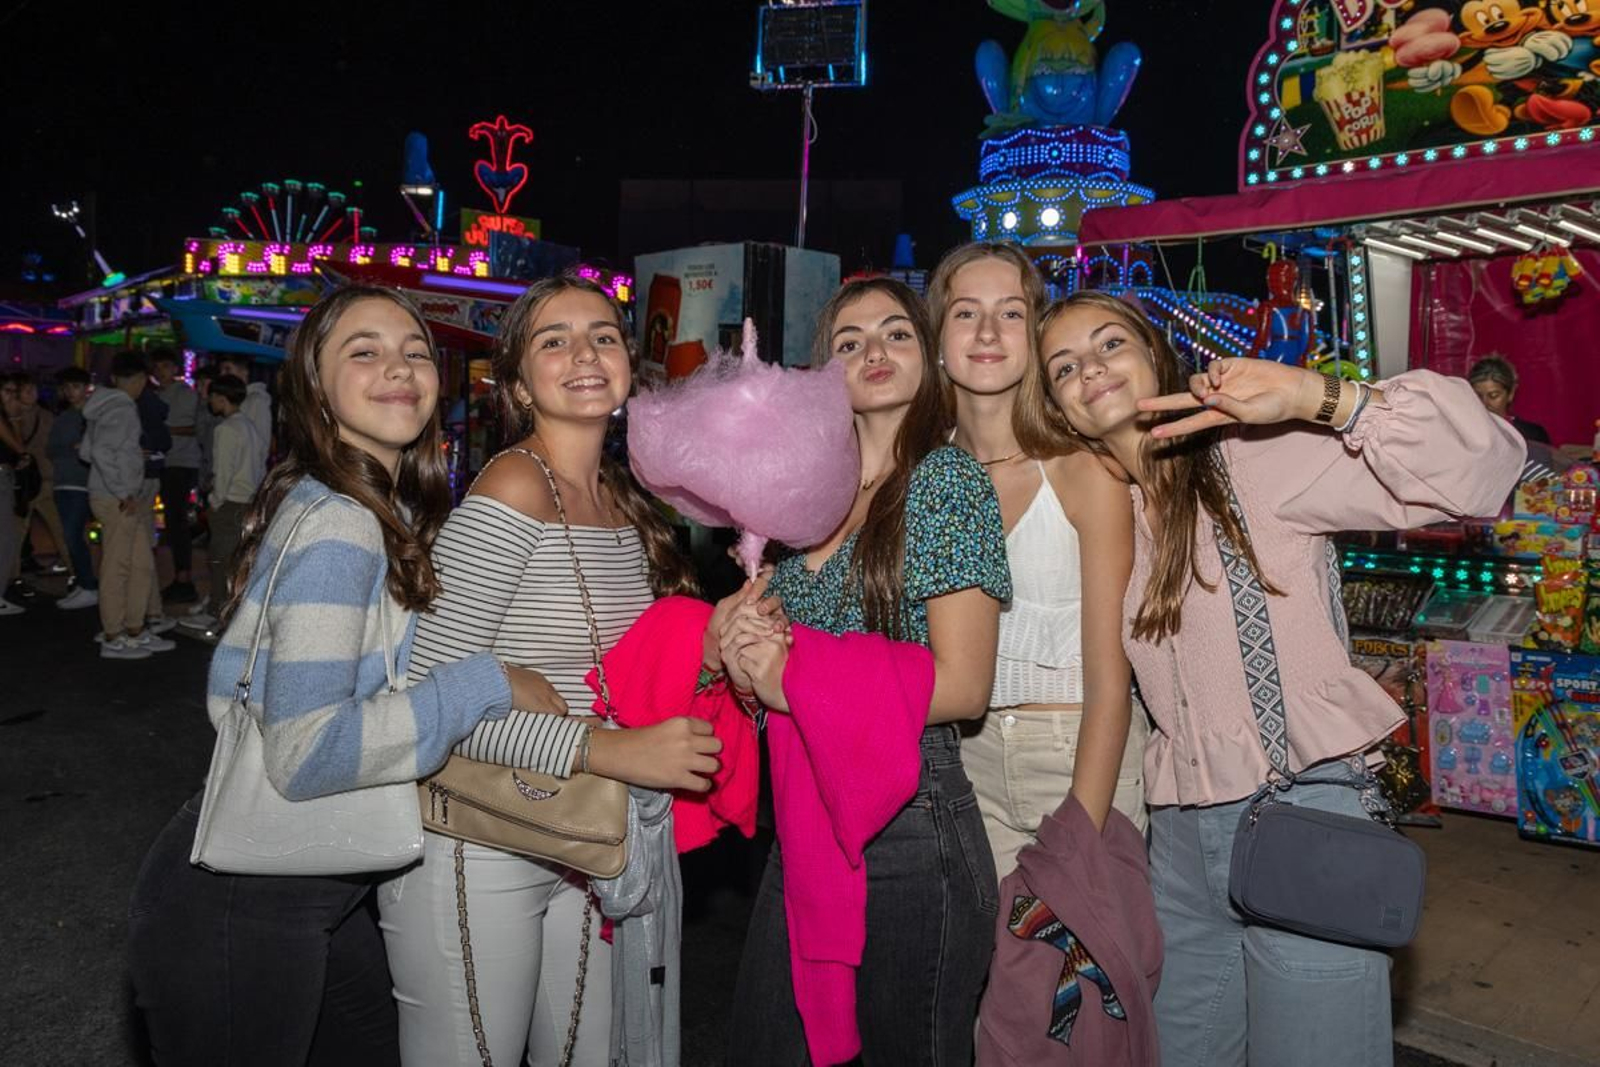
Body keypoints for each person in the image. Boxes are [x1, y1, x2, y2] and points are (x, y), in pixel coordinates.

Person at [1036, 290, 1524, 1067]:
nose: (1091, 369)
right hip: (1180, 848)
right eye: (1066, 366)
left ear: (1157, 357)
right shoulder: (1106, 515)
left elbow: (1485, 470)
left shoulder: (1254, 456)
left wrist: (1316, 394)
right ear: (1060, 410)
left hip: (1301, 808)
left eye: (1109, 344)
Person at [128, 285, 558, 1067]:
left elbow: (239, 694)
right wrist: (487, 681)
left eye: (415, 351)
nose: (399, 367)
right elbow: (309, 749)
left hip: (303, 892)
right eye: (364, 351)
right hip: (244, 903)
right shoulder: (343, 524)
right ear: (315, 391)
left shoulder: (347, 503)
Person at [378, 275, 726, 1067]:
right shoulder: (513, 485)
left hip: (586, 833)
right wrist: (610, 750)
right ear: (516, 382)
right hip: (478, 833)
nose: (585, 354)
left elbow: (619, 670)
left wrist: (714, 645)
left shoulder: (625, 499)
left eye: (603, 335)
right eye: (554, 340)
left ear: (630, 363)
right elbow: (426, 697)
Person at [719, 277, 1011, 1065]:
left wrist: (791, 679)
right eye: (849, 342)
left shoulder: (945, 482)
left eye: (896, 333)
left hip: (912, 828)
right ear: (825, 375)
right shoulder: (799, 502)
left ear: (927, 358)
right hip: (806, 820)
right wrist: (743, 655)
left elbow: (963, 685)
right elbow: (771, 672)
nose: (873, 352)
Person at [931, 241, 1147, 881]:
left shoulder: (1084, 468)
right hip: (964, 762)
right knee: (998, 978)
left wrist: (1082, 829)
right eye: (966, 313)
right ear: (938, 336)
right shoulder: (924, 470)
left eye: (1012, 313)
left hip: (1079, 756)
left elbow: (1113, 676)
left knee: (1085, 975)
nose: (990, 332)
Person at [82, 352, 172, 659]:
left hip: (115, 494)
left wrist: (130, 456)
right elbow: (102, 452)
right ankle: (114, 635)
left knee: (140, 564)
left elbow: (87, 451)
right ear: (138, 379)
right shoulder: (121, 408)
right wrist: (123, 490)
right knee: (118, 567)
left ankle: (133, 629)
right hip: (117, 498)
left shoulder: (102, 405)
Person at [179, 373, 262, 633]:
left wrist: (214, 501)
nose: (209, 400)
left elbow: (223, 471)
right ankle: (230, 613)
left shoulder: (226, 429)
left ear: (221, 398)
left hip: (229, 502)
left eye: (212, 395)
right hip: (248, 501)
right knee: (236, 563)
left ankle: (217, 614)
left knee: (220, 561)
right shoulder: (249, 426)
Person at [150, 348, 202, 603]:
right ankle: (177, 575)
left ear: (174, 369)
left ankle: (184, 577)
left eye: (165, 366)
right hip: (162, 463)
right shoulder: (154, 395)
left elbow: (196, 427)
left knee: (177, 521)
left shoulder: (185, 395)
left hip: (180, 463)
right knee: (170, 522)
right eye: (157, 367)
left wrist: (163, 432)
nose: (160, 371)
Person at [9, 372, 70, 580]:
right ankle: (77, 573)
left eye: (33, 389)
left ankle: (11, 578)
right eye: (27, 390)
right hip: (42, 479)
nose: (32, 393)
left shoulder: (21, 415)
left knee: (17, 534)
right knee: (59, 529)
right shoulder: (43, 415)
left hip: (30, 481)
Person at [47, 367, 98, 610]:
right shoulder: (64, 417)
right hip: (63, 481)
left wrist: (81, 448)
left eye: (75, 386)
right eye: (67, 387)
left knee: (73, 534)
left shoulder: (94, 416)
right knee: (71, 536)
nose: (70, 392)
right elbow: (52, 449)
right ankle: (83, 581)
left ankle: (88, 584)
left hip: (83, 484)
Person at [0, 376, 31, 615]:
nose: (12, 396)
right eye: (7, 391)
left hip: (6, 477)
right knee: (6, 538)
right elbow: (19, 448)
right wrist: (22, 454)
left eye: (15, 391)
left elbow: (20, 447)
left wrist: (16, 417)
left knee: (9, 537)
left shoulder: (8, 415)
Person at [1467, 355, 1550, 444]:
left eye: (1493, 396)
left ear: (1511, 393)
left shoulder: (1531, 435)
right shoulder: (1463, 434)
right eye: (1477, 396)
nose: (1484, 403)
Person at [217, 353, 273, 468]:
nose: (223, 375)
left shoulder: (257, 400)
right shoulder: (234, 399)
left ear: (244, 371)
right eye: (221, 370)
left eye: (228, 369)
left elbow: (261, 444)